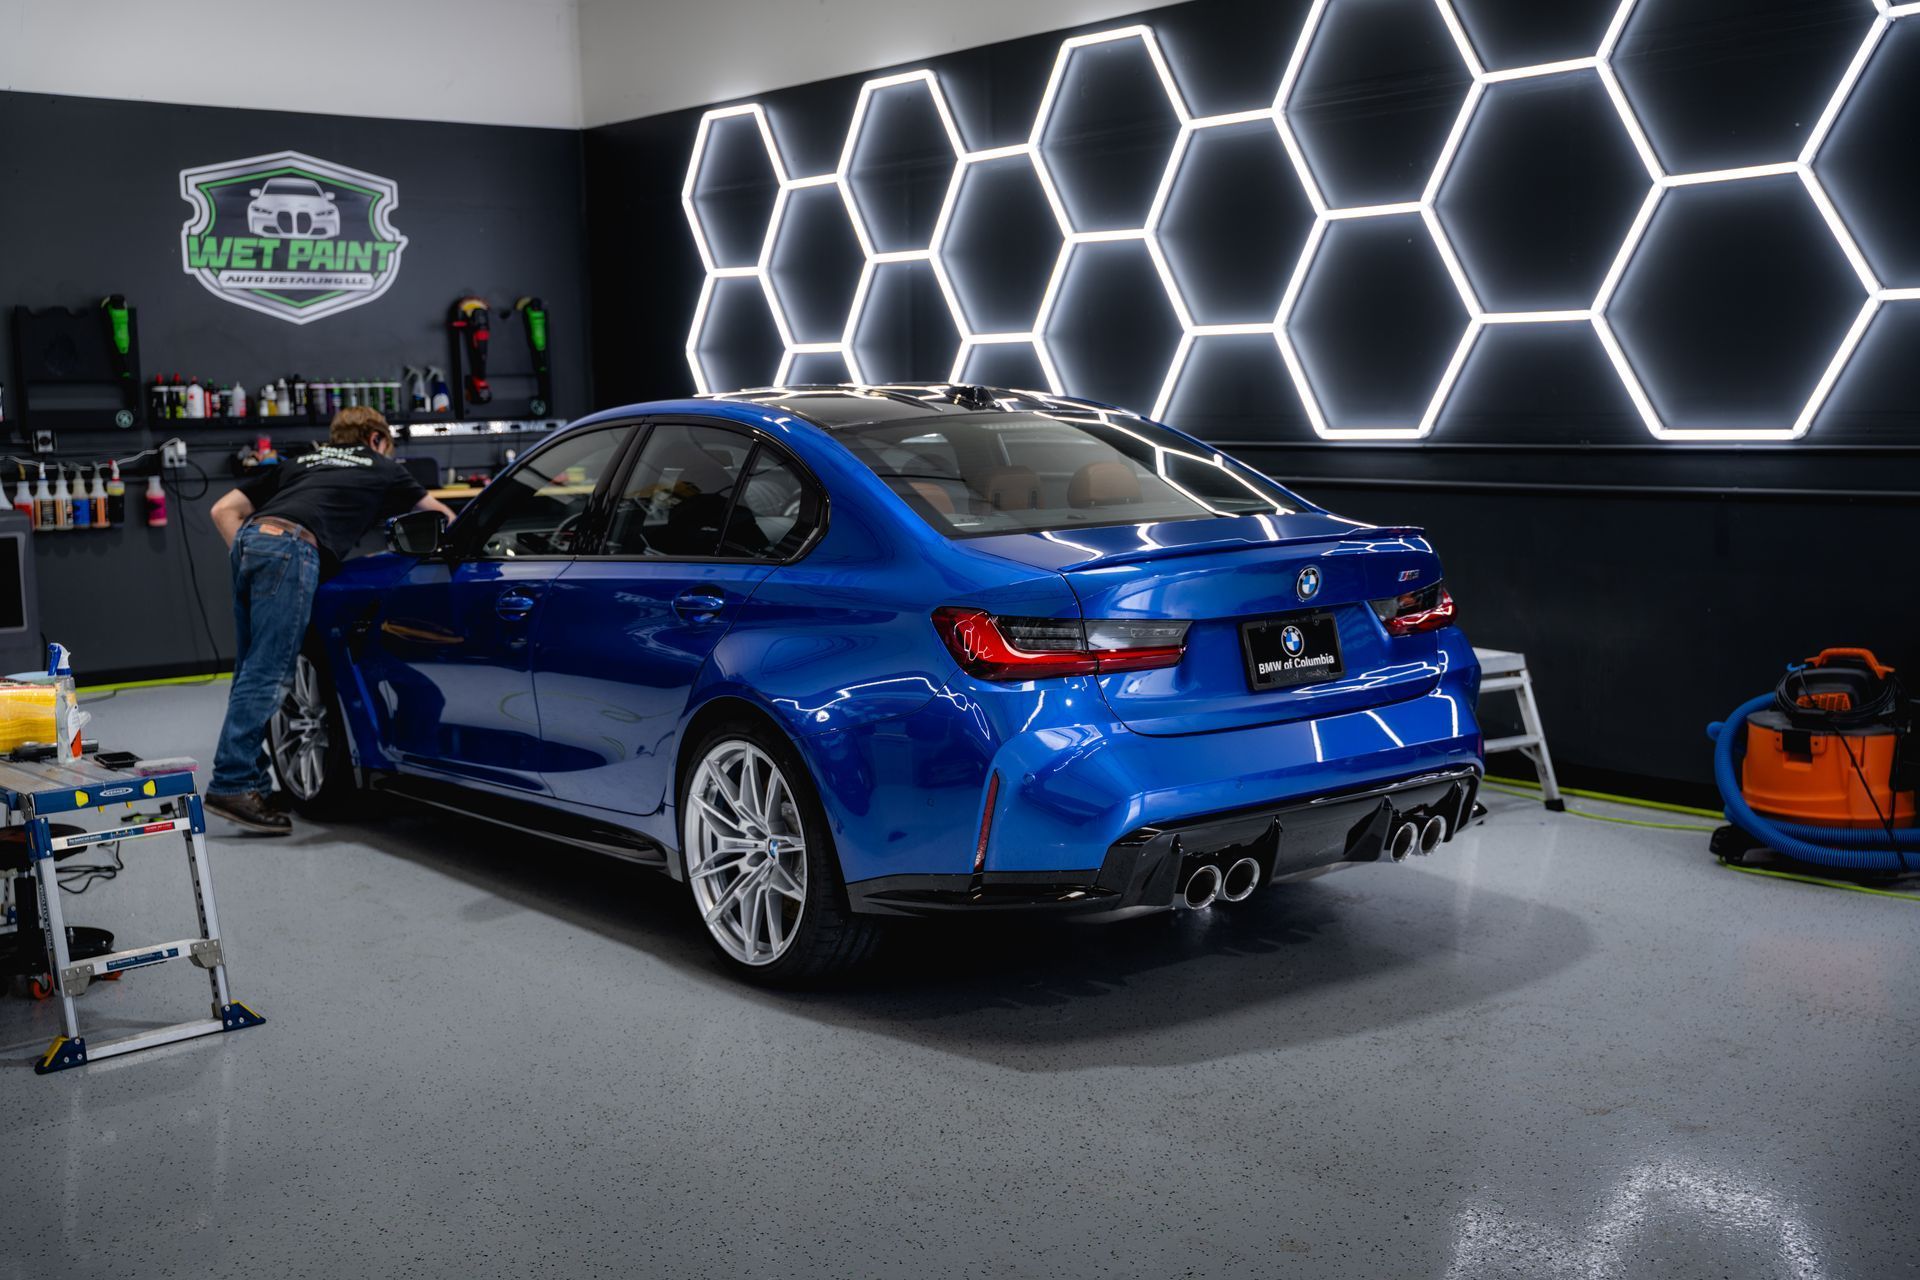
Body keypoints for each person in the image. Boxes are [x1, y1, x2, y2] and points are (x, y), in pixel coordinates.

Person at [204, 407, 455, 834]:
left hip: (254, 543)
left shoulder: (300, 462)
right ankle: (230, 783)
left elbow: (223, 510)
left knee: (251, 670)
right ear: (376, 439)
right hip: (292, 547)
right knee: (270, 672)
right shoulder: (383, 466)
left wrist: (256, 559)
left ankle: (249, 780)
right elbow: (446, 521)